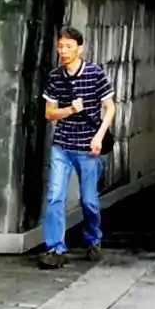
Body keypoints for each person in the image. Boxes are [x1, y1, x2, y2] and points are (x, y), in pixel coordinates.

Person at [39, 26, 114, 269]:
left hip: (88, 148)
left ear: (79, 48)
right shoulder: (55, 77)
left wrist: (99, 136)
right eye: (61, 46)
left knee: (89, 201)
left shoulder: (95, 73)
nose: (64, 51)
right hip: (62, 146)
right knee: (54, 198)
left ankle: (93, 240)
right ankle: (55, 248)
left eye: (69, 46)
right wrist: (70, 110)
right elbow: (50, 114)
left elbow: (110, 107)